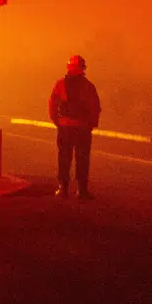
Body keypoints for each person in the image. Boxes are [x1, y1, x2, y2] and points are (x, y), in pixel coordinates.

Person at [49, 54, 101, 199]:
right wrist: (90, 125)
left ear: (69, 68)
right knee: (82, 159)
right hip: (82, 128)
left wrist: (57, 121)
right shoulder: (88, 86)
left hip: (65, 127)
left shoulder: (60, 84)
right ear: (83, 68)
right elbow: (95, 108)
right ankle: (81, 191)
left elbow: (52, 104)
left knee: (64, 158)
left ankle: (63, 188)